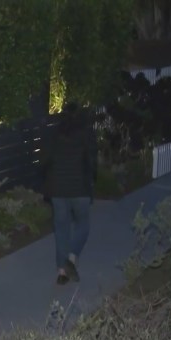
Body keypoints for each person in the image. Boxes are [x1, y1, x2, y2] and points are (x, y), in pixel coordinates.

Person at [43, 102, 98, 285]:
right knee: (83, 224)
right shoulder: (86, 133)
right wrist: (92, 182)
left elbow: (46, 159)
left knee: (61, 228)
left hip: (58, 188)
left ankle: (61, 271)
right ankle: (71, 258)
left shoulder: (55, 133)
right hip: (79, 188)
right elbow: (91, 161)